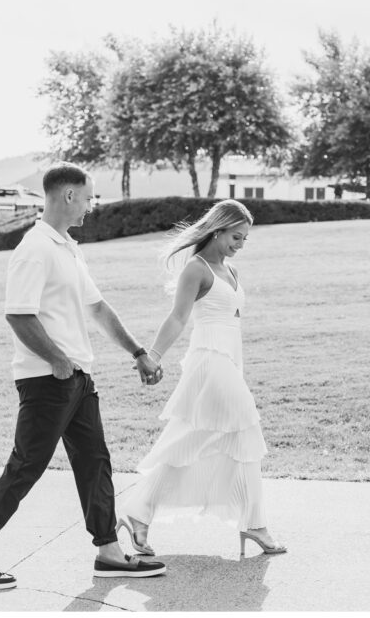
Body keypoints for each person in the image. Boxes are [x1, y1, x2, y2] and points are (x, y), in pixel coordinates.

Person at [0, 162, 167, 590]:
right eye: (88, 196)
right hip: (48, 379)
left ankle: (107, 550)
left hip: (79, 378)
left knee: (95, 462)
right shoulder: (35, 249)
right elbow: (17, 314)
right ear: (68, 196)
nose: (91, 204)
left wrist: (137, 351)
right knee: (27, 465)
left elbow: (98, 309)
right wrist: (58, 359)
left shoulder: (67, 246)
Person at [117, 199, 286, 557]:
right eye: (236, 237)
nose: (240, 244)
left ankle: (139, 513)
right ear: (218, 229)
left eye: (245, 239)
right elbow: (178, 317)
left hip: (229, 361)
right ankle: (253, 524)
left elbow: (233, 321)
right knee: (242, 430)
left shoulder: (231, 270)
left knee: (199, 441)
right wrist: (153, 356)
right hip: (209, 360)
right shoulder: (196, 269)